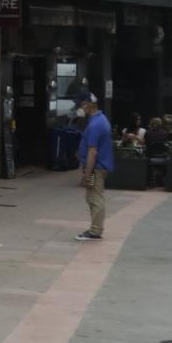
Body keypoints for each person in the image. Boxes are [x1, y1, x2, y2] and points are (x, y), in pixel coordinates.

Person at [75, 94, 115, 240]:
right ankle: (95, 228)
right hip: (94, 167)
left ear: (87, 104)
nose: (79, 108)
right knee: (91, 196)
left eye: (80, 104)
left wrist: (87, 175)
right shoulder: (99, 120)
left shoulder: (95, 124)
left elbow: (92, 152)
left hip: (95, 168)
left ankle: (95, 231)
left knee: (95, 197)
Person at [144, 116, 169, 188]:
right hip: (163, 157)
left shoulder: (148, 133)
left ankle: (150, 180)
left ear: (151, 124)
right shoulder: (165, 133)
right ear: (160, 124)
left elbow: (146, 145)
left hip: (151, 157)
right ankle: (162, 179)